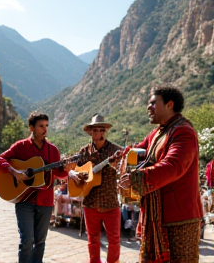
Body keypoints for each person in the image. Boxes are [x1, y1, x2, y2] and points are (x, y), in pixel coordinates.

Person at [120, 85, 203, 263]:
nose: (148, 107)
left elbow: (173, 166)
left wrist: (137, 178)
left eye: (152, 103)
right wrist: (122, 155)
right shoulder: (157, 133)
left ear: (169, 105)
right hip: (156, 215)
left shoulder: (183, 132)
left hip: (179, 219)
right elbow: (138, 150)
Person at [0, 112, 73, 263]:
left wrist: (68, 169)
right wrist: (14, 171)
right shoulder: (21, 146)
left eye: (46, 126)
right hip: (24, 200)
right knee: (27, 241)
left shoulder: (53, 150)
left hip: (45, 202)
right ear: (32, 128)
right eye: (41, 126)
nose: (45, 129)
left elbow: (58, 173)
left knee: (40, 242)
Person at [69, 113, 123, 263]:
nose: (97, 133)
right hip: (90, 202)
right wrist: (73, 173)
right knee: (92, 240)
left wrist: (116, 165)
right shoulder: (83, 151)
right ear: (90, 132)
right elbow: (72, 168)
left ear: (105, 131)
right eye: (94, 130)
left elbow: (123, 170)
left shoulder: (115, 150)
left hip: (110, 202)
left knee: (114, 241)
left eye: (100, 130)